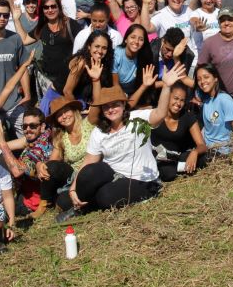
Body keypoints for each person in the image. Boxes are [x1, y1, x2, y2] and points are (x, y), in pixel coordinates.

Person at [56, 86, 160, 221]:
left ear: (123, 104)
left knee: (105, 196)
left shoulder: (138, 117)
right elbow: (88, 161)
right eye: (106, 107)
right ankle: (78, 204)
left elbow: (160, 113)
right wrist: (73, 189)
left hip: (143, 179)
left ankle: (82, 208)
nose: (110, 110)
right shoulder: (99, 131)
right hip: (116, 175)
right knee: (89, 171)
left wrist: (167, 86)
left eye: (115, 105)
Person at [149, 64, 207, 181]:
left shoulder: (187, 117)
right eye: (175, 98)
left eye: (182, 100)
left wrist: (194, 153)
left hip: (177, 158)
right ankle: (181, 170)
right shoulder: (156, 113)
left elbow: (202, 145)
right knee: (167, 172)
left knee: (204, 158)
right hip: (156, 159)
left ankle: (183, 167)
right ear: (168, 96)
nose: (178, 103)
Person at [39, 98, 93, 213]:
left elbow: (98, 104)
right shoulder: (61, 137)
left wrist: (96, 82)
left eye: (66, 111)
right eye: (59, 115)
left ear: (74, 110)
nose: (64, 116)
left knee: (65, 201)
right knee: (63, 201)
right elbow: (51, 163)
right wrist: (40, 165)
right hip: (74, 177)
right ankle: (45, 202)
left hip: (92, 171)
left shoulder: (88, 123)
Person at [193, 64, 233, 156]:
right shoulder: (206, 101)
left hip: (221, 151)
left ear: (215, 78)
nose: (202, 81)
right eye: (199, 79)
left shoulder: (224, 99)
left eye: (206, 77)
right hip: (206, 147)